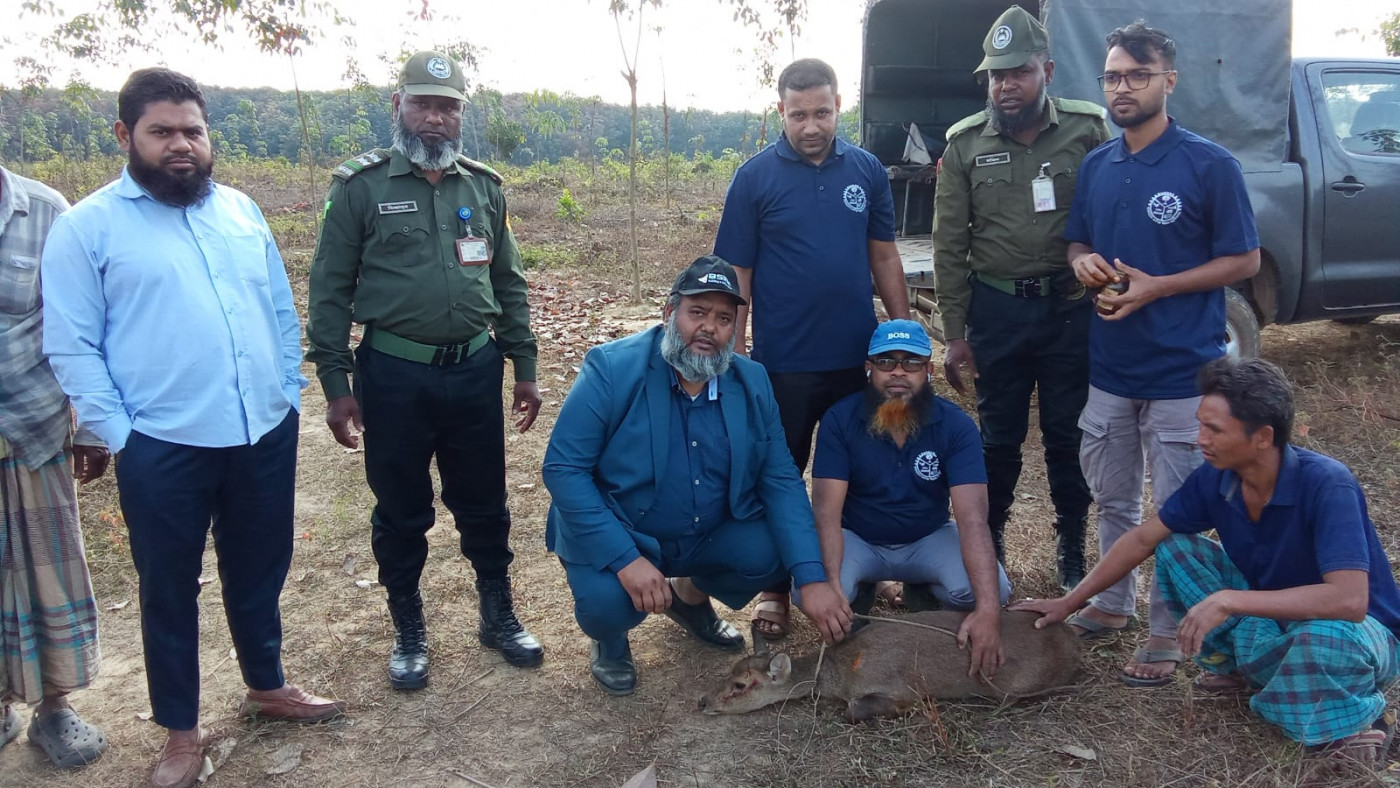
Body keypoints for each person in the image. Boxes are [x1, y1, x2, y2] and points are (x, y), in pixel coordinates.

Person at [41, 68, 345, 788]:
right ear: (125, 136)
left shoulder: (239, 211)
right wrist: (121, 433)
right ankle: (181, 732)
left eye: (193, 131)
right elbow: (72, 345)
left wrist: (286, 392)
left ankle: (266, 685)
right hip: (161, 445)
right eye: (162, 131)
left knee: (260, 568)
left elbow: (276, 306)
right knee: (169, 588)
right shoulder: (88, 228)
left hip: (261, 432)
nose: (181, 145)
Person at [1015, 357, 1400, 765]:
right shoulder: (1217, 476)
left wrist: (1229, 600)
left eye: (1214, 429)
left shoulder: (1327, 483)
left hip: (1358, 637)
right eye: (1200, 424)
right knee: (1178, 548)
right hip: (1274, 621)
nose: (1200, 439)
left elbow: (1350, 602)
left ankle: (1359, 723)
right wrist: (1069, 603)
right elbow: (1143, 539)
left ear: (1263, 437)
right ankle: (1250, 670)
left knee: (1322, 643)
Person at [306, 51, 543, 690]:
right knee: (403, 509)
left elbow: (508, 282)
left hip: (473, 370)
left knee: (485, 504)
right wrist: (336, 384)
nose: (436, 119)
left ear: (460, 114)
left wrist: (524, 364)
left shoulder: (483, 187)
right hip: (393, 374)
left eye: (448, 106)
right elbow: (329, 290)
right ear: (399, 107)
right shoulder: (361, 187)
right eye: (424, 104)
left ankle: (497, 614)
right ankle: (409, 628)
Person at [542, 256, 852, 696]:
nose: (709, 327)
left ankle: (687, 597)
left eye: (724, 318)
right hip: (625, 533)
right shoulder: (612, 368)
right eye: (698, 312)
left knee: (771, 550)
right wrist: (626, 561)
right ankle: (610, 642)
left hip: (703, 533)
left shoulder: (752, 381)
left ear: (733, 329)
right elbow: (563, 469)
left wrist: (813, 578)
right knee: (607, 605)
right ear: (670, 314)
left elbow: (780, 479)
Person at [1062, 22, 1260, 686]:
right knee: (1112, 498)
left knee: (1177, 510)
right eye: (1113, 76)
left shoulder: (1208, 165)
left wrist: (1158, 289)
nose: (1122, 88)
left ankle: (1167, 633)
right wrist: (1084, 261)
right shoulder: (1098, 164)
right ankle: (1113, 605)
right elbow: (1076, 242)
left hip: (1182, 371)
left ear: (1168, 81)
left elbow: (1244, 258)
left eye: (1137, 76)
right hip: (1111, 367)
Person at [714, 57, 911, 639]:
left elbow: (884, 257)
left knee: (869, 466)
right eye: (798, 115)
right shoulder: (754, 178)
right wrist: (739, 352)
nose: (811, 126)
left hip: (858, 359)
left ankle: (868, 575)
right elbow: (738, 271)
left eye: (821, 112)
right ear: (781, 111)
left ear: (838, 106)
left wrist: (904, 339)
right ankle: (776, 590)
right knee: (781, 472)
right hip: (785, 363)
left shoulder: (868, 170)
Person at [932, 5, 1110, 590]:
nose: (1005, 86)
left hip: (1070, 310)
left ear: (1048, 71)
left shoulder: (1088, 130)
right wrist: (955, 335)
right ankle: (993, 540)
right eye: (995, 75)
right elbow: (949, 246)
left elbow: (1112, 219)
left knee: (1069, 434)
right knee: (998, 438)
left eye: (1018, 73)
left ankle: (1072, 545)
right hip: (998, 312)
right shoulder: (963, 145)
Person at [806, 319, 1010, 679]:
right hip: (858, 538)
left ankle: (923, 589)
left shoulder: (956, 426)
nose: (898, 373)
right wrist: (835, 589)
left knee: (992, 593)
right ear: (868, 369)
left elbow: (973, 520)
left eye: (911, 363)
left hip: (927, 537)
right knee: (809, 590)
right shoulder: (840, 420)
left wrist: (991, 612)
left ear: (929, 371)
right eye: (886, 362)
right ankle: (861, 588)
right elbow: (826, 516)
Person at [0, 166, 109, 768]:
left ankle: (55, 708)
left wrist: (92, 427)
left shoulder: (45, 212)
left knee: (49, 569)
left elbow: (85, 324)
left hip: (35, 427)